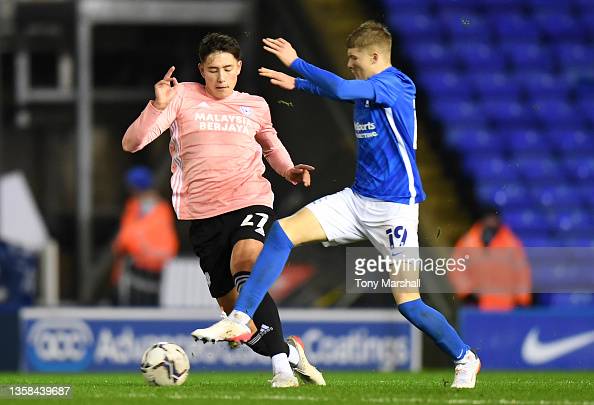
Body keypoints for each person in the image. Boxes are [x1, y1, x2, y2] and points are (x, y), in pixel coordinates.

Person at [192, 21, 482, 389]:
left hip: (395, 211)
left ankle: (465, 358)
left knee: (410, 305)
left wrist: (297, 65)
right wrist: (299, 85)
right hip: (358, 200)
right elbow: (342, 90)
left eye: (354, 57)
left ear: (375, 56)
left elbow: (342, 88)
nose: (349, 64)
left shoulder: (396, 84)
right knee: (282, 232)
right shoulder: (369, 90)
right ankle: (240, 316)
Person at [122, 33, 324, 388]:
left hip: (251, 199)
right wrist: (156, 105)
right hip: (202, 216)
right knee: (242, 325)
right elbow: (132, 143)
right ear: (201, 69)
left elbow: (271, 145)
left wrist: (289, 170)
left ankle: (281, 370)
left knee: (245, 264)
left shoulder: (255, 105)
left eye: (228, 69)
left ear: (239, 68)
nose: (220, 77)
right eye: (212, 69)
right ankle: (291, 353)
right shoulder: (180, 96)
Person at [112, 166, 179, 306]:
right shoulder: (134, 206)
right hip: (130, 277)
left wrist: (138, 248)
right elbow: (122, 241)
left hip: (151, 277)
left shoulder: (160, 211)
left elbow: (168, 250)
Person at [451, 206, 532, 311]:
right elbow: (457, 268)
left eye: (494, 219)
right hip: (477, 306)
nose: (491, 222)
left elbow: (522, 272)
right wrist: (467, 292)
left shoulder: (511, 242)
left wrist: (521, 298)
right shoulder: (468, 241)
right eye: (489, 219)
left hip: (506, 306)